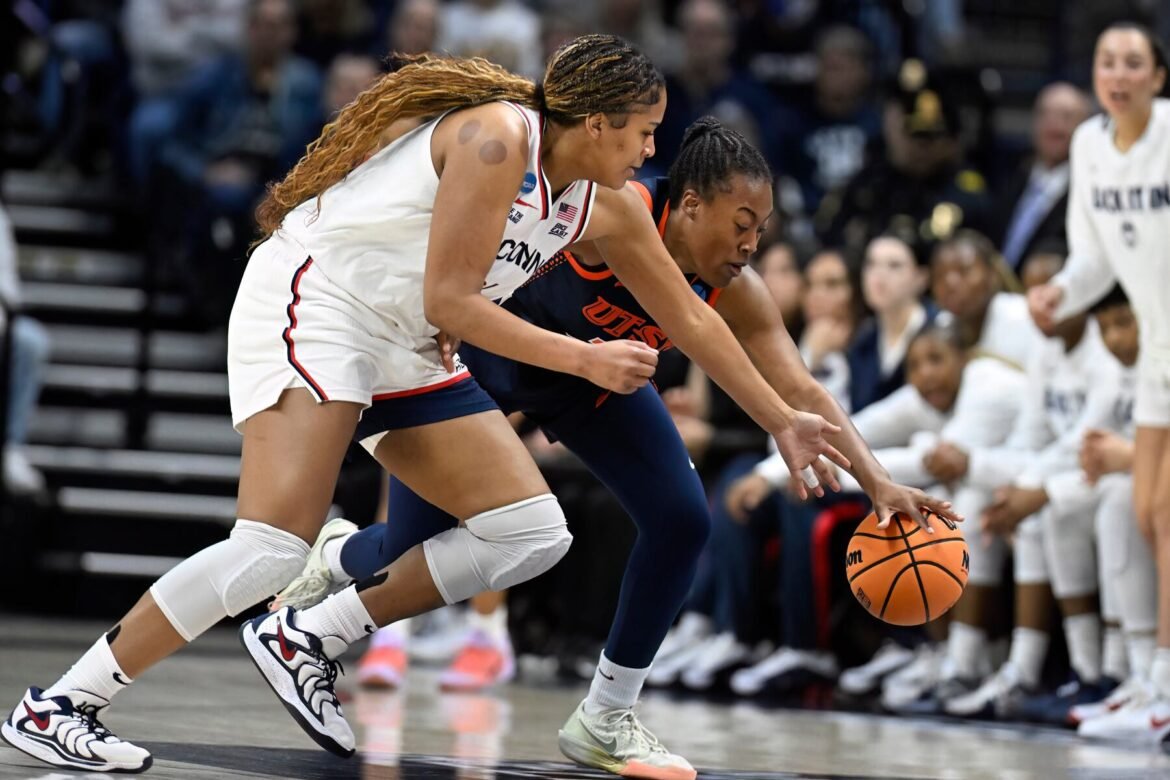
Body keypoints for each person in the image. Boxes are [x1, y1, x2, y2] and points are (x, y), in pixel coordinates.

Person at [1, 36, 853, 774]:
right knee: (268, 547)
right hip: (321, 301)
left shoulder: (609, 206)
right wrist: (584, 358)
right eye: (643, 131)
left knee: (530, 532)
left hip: (402, 339)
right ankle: (61, 707)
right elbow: (453, 303)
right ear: (596, 124)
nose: (651, 147)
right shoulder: (495, 139)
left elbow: (693, 320)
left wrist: (783, 421)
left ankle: (310, 634)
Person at [272, 118, 958, 779]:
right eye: (742, 224)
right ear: (690, 205)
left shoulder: (735, 288)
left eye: (763, 230)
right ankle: (336, 555)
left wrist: (876, 481)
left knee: (683, 518)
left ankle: (606, 714)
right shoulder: (615, 206)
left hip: (595, 379)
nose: (752, 244)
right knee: (407, 549)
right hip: (495, 352)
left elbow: (801, 384)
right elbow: (516, 237)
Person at [1028, 21, 1170, 742]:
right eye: (1107, 61)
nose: (1118, 74)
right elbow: (1093, 260)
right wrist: (1062, 293)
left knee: (1167, 513)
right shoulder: (1088, 144)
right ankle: (1146, 678)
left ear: (1158, 77)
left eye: (1134, 63)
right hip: (1155, 350)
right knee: (1144, 512)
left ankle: (1167, 689)